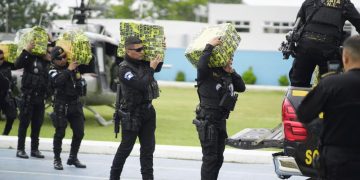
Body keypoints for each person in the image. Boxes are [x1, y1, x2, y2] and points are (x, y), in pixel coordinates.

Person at [297, 35, 360, 180]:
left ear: (345, 58)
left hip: (337, 163)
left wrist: (323, 126)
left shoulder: (331, 84)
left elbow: (304, 114)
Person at [110, 36, 162, 180]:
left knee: (148, 151)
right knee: (125, 149)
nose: (142, 52)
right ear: (128, 50)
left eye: (143, 48)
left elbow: (158, 66)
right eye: (138, 49)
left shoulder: (143, 63)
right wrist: (151, 68)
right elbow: (140, 84)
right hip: (132, 114)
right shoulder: (124, 68)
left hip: (148, 112)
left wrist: (160, 47)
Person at [194, 37, 246, 180]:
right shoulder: (207, 73)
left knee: (219, 158)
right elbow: (201, 65)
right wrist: (209, 46)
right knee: (210, 159)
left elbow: (241, 87)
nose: (231, 59)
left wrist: (232, 71)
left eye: (232, 57)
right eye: (229, 57)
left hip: (221, 121)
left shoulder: (227, 74)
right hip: (208, 121)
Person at [289, 0, 360, 87]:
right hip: (329, 51)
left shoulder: (309, 2)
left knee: (298, 85)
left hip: (305, 49)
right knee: (330, 86)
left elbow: (298, 26)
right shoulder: (344, 4)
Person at [49, 46, 87, 170]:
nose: (64, 59)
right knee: (60, 133)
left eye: (65, 56)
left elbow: (81, 84)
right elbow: (57, 82)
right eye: (61, 58)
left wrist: (80, 78)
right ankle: (57, 159)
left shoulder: (72, 68)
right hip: (61, 105)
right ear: (54, 60)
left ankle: (73, 157)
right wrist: (69, 70)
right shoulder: (52, 70)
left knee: (79, 132)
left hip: (75, 104)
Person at [14, 41, 51, 159]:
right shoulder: (29, 57)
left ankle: (34, 149)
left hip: (40, 97)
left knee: (37, 124)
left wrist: (48, 59)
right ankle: (20, 149)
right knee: (24, 123)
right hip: (28, 96)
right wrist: (27, 50)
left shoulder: (46, 60)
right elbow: (17, 64)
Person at [0, 50, 17, 135]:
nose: (0, 60)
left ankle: (5, 135)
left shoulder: (8, 64)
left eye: (2, 58)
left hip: (6, 95)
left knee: (11, 116)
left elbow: (18, 64)